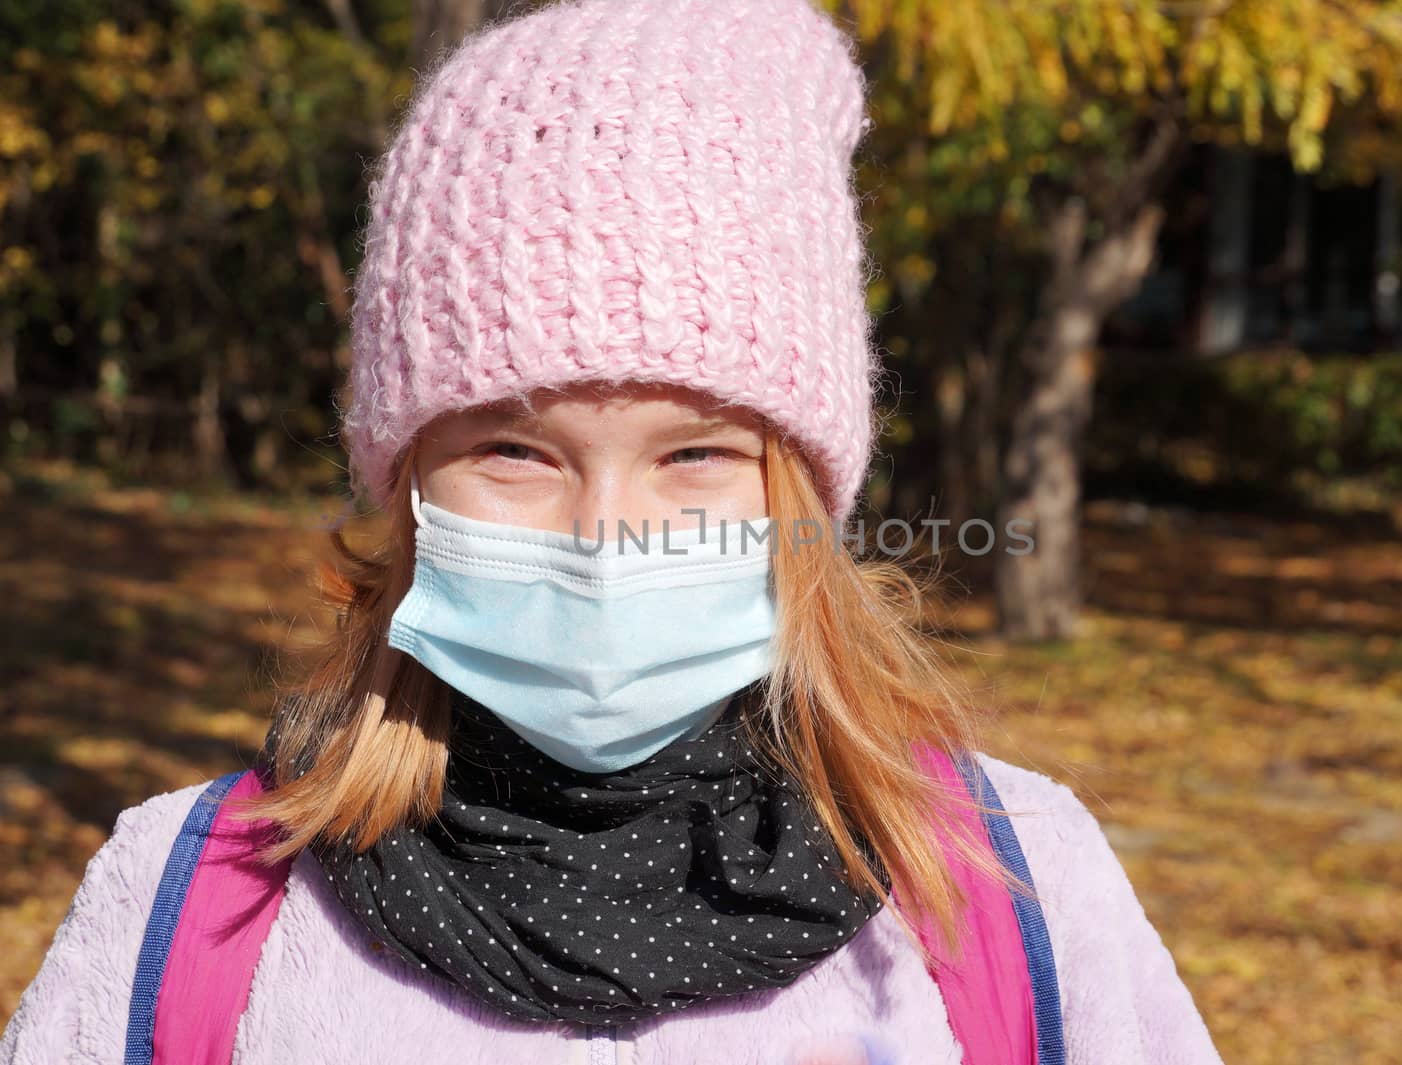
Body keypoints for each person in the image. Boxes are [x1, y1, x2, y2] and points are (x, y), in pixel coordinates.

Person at [0, 1, 1225, 1062]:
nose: (605, 537)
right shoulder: (194, 905)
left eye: (694, 455)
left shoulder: (1016, 892)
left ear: (797, 494)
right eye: (512, 451)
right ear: (405, 485)